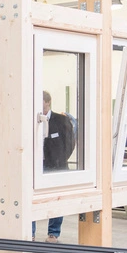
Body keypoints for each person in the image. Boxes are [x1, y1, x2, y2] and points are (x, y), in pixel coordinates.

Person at [33, 90, 76, 243]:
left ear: (48, 102)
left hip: (57, 166)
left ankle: (53, 233)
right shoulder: (31, 120)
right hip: (36, 166)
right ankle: (30, 233)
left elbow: (70, 143)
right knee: (32, 199)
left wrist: (60, 160)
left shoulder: (61, 120)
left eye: (41, 102)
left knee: (57, 200)